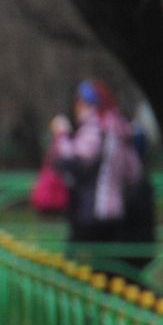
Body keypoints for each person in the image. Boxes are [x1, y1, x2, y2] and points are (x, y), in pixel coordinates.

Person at [50, 79, 153, 284]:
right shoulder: (122, 128)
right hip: (117, 213)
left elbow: (75, 159)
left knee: (79, 270)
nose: (77, 107)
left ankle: (82, 310)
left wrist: (61, 135)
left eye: (81, 102)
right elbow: (133, 173)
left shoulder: (97, 127)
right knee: (110, 271)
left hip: (92, 213)